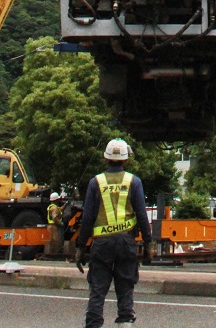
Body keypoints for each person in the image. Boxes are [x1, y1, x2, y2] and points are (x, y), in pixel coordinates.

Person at [75, 139, 153, 327]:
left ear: (106, 158)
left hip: (101, 244)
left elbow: (87, 218)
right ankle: (125, 323)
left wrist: (80, 247)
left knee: (98, 290)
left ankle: (94, 324)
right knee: (125, 287)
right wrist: (149, 243)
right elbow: (142, 215)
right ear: (125, 160)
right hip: (126, 242)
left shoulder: (96, 182)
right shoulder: (133, 181)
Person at [45, 191, 65, 256]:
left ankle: (51, 254)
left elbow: (60, 209)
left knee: (52, 241)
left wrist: (65, 205)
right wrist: (61, 223)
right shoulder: (55, 208)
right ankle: (54, 255)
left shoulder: (52, 207)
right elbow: (55, 218)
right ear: (56, 200)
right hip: (54, 227)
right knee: (56, 241)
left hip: (50, 226)